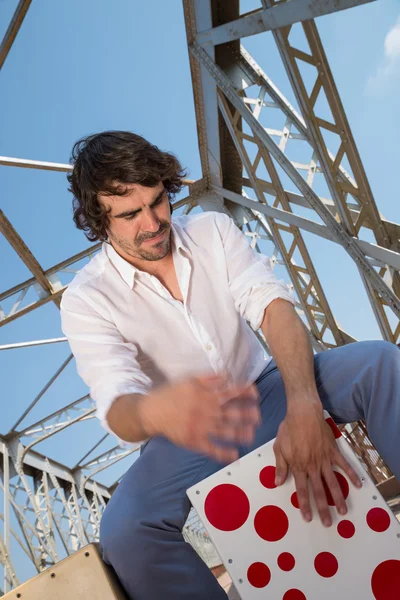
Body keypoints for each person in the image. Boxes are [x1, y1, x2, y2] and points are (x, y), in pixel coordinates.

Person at [61, 130, 400, 600]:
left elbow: (272, 306)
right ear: (100, 221)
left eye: (158, 201)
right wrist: (161, 411)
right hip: (184, 436)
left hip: (265, 391)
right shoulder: (85, 298)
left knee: (378, 364)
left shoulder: (211, 231)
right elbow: (116, 402)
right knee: (125, 531)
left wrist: (304, 402)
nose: (153, 222)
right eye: (130, 214)